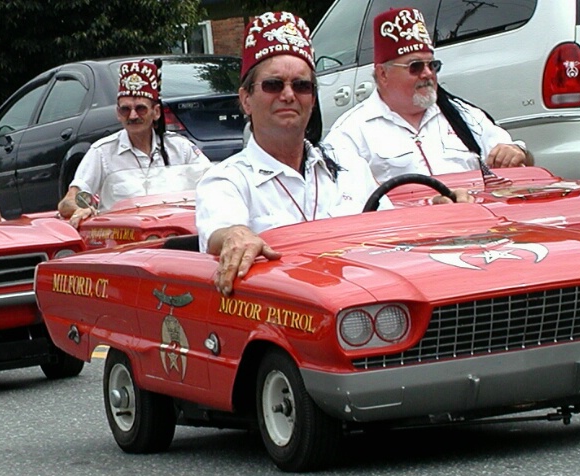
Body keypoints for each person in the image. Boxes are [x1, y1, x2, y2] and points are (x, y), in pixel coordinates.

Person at [195, 11, 470, 296]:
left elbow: (391, 233)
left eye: (301, 86)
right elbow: (220, 231)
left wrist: (437, 213)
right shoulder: (225, 180)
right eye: (273, 85)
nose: (288, 95)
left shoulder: (350, 168)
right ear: (246, 100)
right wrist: (235, 236)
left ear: (312, 100)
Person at [322, 7, 532, 184]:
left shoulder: (464, 117)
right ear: (382, 74)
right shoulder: (351, 133)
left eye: (433, 65)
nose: (428, 74)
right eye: (415, 67)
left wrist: (515, 152)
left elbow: (520, 160)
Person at [57, 59, 210, 226]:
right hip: (123, 242)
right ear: (117, 113)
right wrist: (81, 208)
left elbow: (214, 185)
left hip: (177, 236)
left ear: (156, 112)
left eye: (141, 108)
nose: (133, 116)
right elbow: (68, 202)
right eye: (125, 109)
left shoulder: (181, 148)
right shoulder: (101, 152)